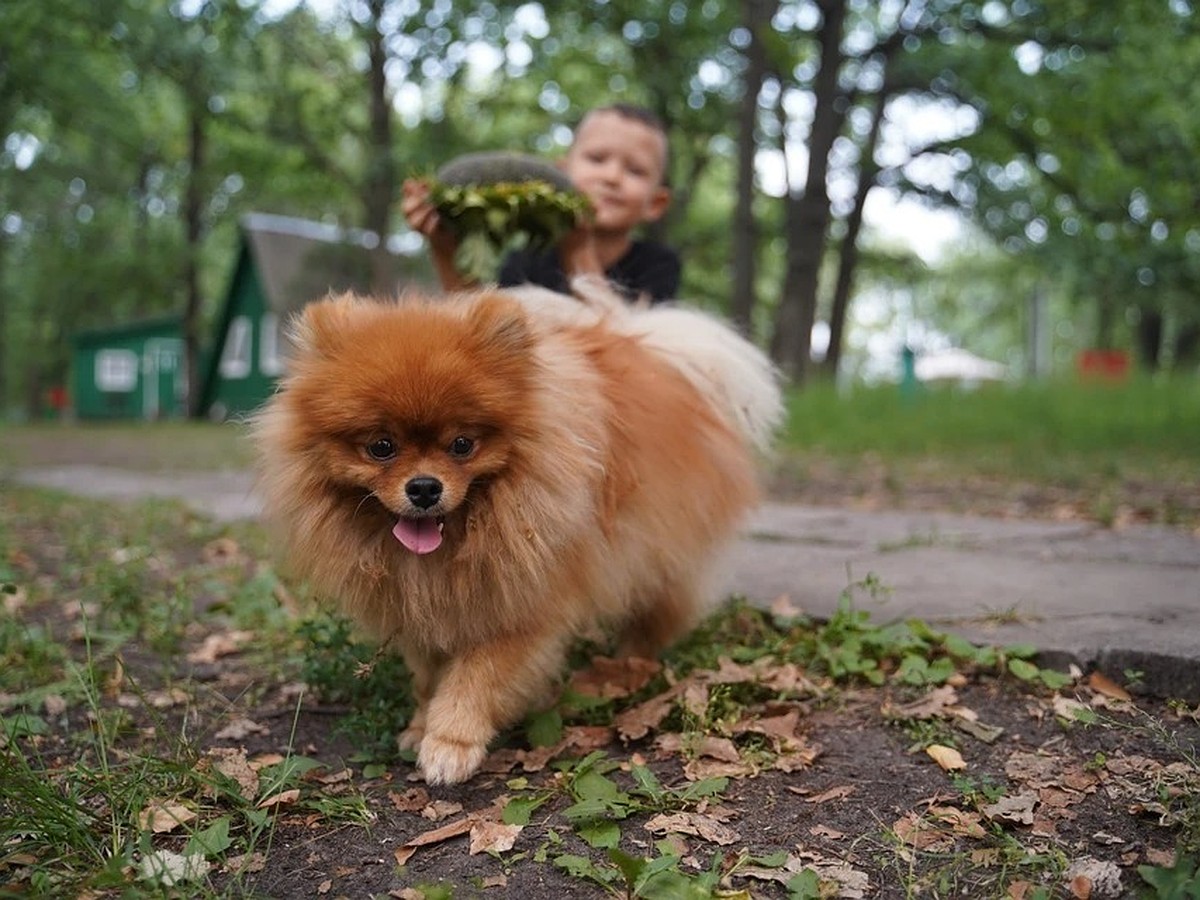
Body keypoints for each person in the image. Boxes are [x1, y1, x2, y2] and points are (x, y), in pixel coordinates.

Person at [402, 103, 680, 304]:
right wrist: (444, 249)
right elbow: (491, 337)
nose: (612, 177)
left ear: (655, 204)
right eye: (596, 159)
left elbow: (628, 349)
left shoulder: (658, 265)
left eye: (635, 171)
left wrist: (577, 248)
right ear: (561, 173)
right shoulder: (526, 261)